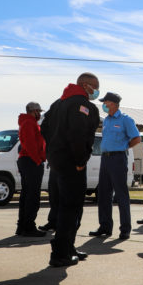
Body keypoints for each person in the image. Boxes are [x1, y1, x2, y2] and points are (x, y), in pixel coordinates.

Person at [41, 73, 101, 267]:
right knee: (71, 208)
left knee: (67, 206)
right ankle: (60, 253)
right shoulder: (82, 105)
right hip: (72, 163)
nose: (96, 91)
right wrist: (80, 160)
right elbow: (78, 134)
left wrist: (53, 151)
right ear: (85, 85)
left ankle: (69, 247)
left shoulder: (58, 103)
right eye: (95, 87)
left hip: (57, 162)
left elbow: (44, 128)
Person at [89, 92, 140, 240]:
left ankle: (125, 229)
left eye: (106, 102)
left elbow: (136, 138)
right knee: (104, 194)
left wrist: (123, 147)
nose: (104, 105)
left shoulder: (126, 120)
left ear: (114, 104)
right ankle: (105, 227)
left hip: (118, 158)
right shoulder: (106, 121)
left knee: (121, 195)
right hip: (105, 159)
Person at [15, 101, 46, 237]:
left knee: (27, 195)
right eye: (38, 111)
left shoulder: (28, 122)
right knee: (32, 196)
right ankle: (28, 226)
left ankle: (22, 226)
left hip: (29, 161)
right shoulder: (29, 123)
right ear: (33, 111)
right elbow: (30, 144)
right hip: (31, 161)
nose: (39, 114)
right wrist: (38, 160)